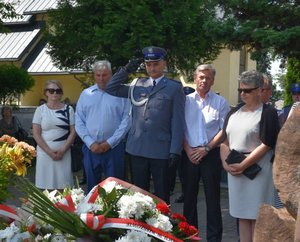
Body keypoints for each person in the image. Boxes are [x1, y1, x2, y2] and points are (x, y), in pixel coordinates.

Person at [105, 46, 185, 204]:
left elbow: (178, 121)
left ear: (164, 64)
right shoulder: (137, 84)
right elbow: (110, 88)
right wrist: (126, 70)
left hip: (161, 150)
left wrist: (175, 150)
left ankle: (162, 227)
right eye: (148, 64)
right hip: (137, 148)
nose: (152, 67)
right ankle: (139, 227)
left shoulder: (174, 88)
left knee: (161, 194)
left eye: (156, 64)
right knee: (138, 195)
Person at [220, 70, 280, 242]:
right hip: (235, 169)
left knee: (257, 217)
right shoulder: (233, 112)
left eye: (247, 90)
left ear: (260, 90)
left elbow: (267, 143)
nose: (243, 94)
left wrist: (244, 164)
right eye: (240, 90)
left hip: (258, 170)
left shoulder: (267, 112)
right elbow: (224, 142)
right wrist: (226, 164)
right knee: (242, 216)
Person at [182, 64, 230, 241]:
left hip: (210, 155)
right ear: (195, 78)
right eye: (201, 77)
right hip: (188, 154)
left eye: (208, 78)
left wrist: (207, 149)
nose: (204, 80)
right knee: (188, 198)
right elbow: (180, 128)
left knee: (213, 199)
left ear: (213, 80)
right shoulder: (185, 101)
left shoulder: (221, 102)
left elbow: (223, 130)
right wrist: (188, 150)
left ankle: (214, 237)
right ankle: (189, 235)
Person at [75, 60, 131, 192]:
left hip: (114, 148)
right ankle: (91, 212)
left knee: (115, 189)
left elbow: (127, 120)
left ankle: (114, 213)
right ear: (94, 75)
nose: (101, 78)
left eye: (105, 75)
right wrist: (90, 143)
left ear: (111, 74)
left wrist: (110, 143)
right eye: (98, 75)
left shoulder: (122, 94)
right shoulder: (86, 94)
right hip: (90, 149)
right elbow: (78, 120)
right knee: (92, 188)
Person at [32, 80, 76, 190]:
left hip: (64, 153)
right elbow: (36, 133)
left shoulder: (68, 109)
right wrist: (50, 152)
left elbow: (73, 131)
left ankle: (62, 207)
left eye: (58, 90)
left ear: (61, 93)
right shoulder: (40, 110)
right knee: (45, 188)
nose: (55, 93)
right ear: (46, 93)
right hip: (44, 153)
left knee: (64, 186)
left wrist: (63, 150)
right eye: (51, 90)